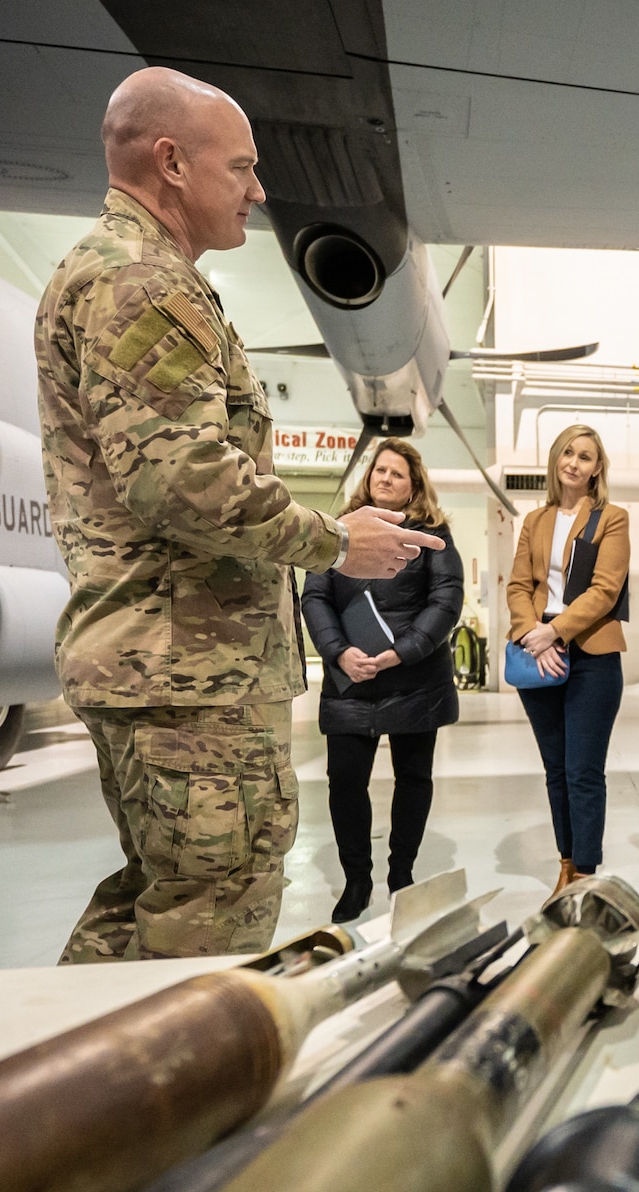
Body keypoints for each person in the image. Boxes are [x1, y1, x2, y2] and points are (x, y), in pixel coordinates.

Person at [35, 68, 439, 961]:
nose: (259, 189)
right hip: (187, 671)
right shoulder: (144, 283)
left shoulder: (116, 273)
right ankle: (173, 1095)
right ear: (171, 162)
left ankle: (62, 1081)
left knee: (158, 893)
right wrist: (335, 541)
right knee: (212, 909)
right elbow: (180, 478)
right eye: (243, 167)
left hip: (169, 664)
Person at [301, 440, 463, 924]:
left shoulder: (433, 533)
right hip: (350, 679)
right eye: (379, 470)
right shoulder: (339, 531)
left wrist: (402, 651)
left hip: (415, 680)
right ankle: (356, 881)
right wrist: (338, 652)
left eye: (397, 472)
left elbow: (446, 600)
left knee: (413, 780)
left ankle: (401, 876)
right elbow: (314, 596)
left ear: (414, 483)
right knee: (345, 783)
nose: (386, 478)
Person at [507, 425, 629, 895]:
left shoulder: (611, 518)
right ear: (557, 459)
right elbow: (519, 585)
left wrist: (556, 631)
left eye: (585, 456)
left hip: (591, 653)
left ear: (597, 468)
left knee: (582, 770)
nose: (574, 463)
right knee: (555, 768)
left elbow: (605, 590)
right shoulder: (534, 521)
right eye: (568, 453)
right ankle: (565, 860)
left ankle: (585, 873)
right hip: (538, 649)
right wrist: (531, 634)